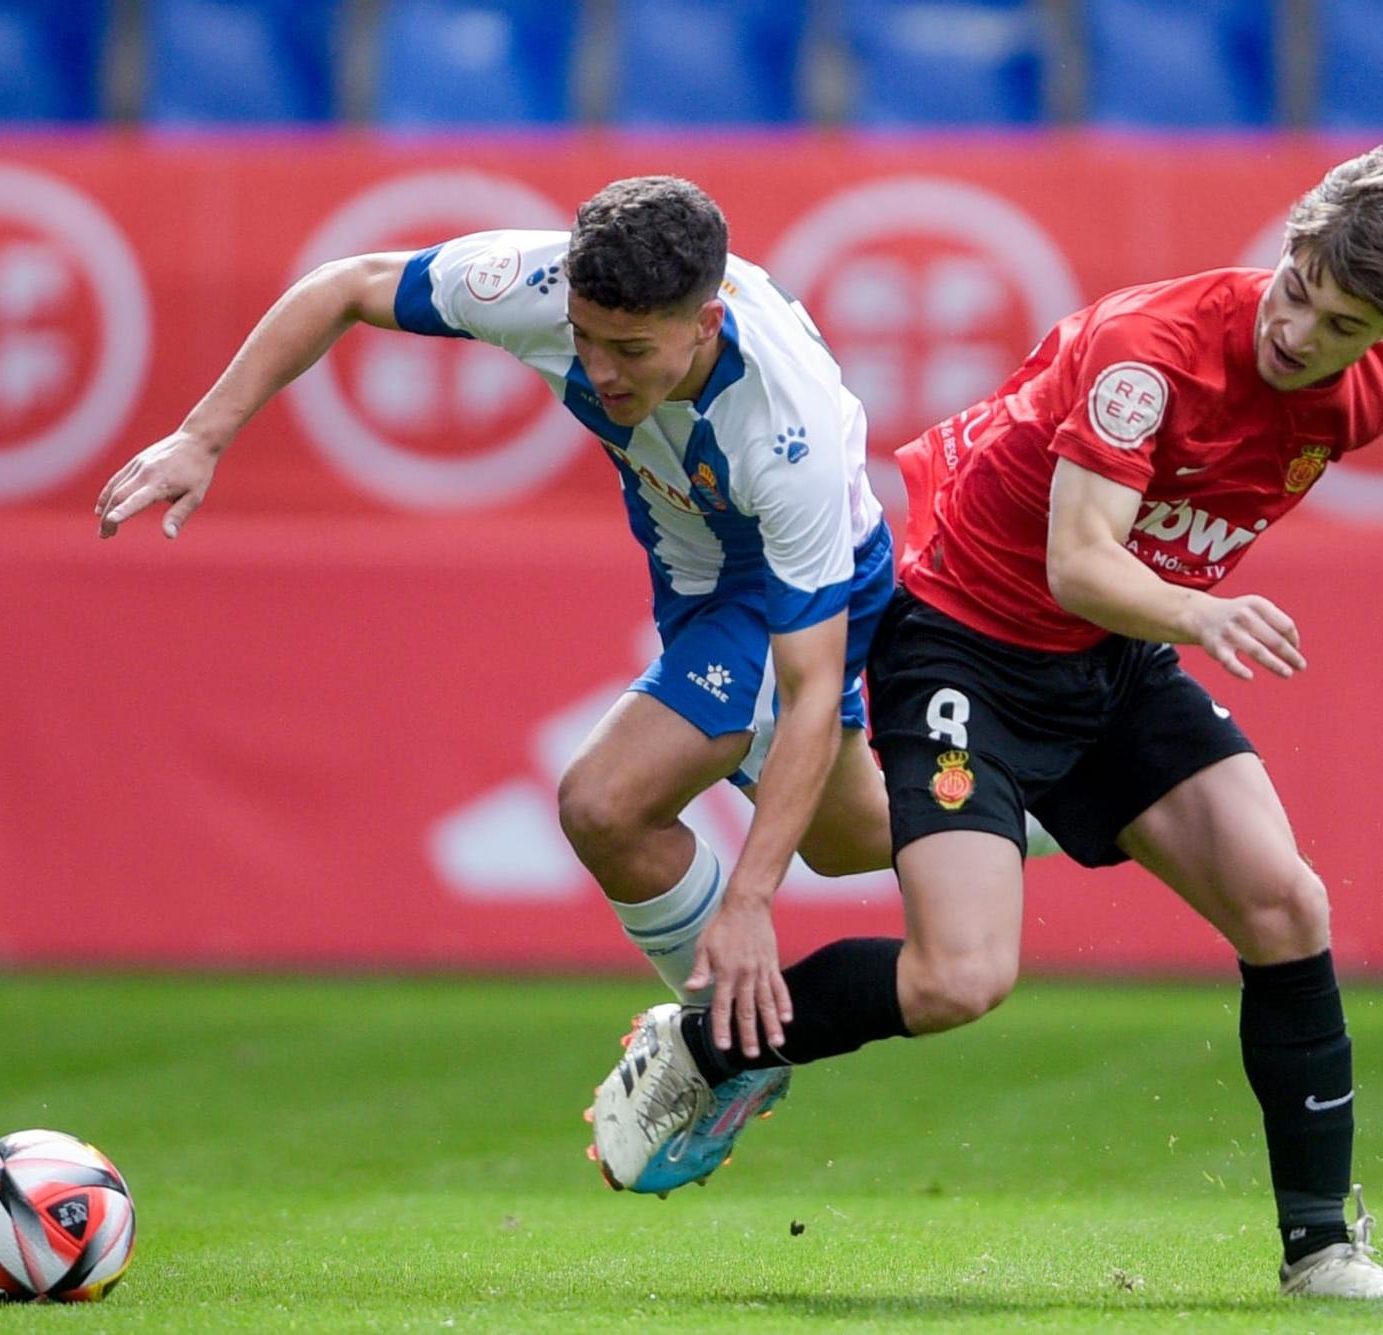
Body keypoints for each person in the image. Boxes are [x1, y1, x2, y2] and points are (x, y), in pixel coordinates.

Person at [592, 147, 1383, 1301]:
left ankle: (1321, 1254)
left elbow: (1142, 563)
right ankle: (699, 1052)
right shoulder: (1149, 356)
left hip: (1109, 665)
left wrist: (1176, 621)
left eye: (1339, 320)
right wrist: (1204, 614)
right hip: (963, 650)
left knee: (1283, 901)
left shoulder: (1364, 397)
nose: (1299, 330)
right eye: (1295, 286)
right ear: (1287, 250)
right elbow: (1080, 562)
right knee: (959, 979)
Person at [95, 176, 910, 1191]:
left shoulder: (778, 431)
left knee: (603, 803)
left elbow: (805, 689)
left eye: (631, 350)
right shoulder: (534, 284)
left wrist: (748, 898)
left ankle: (728, 1057)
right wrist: (204, 434)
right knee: (847, 840)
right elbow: (347, 285)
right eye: (584, 337)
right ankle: (1051, 797)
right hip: (692, 574)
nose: (599, 371)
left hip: (785, 578)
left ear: (706, 322)